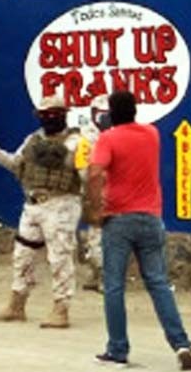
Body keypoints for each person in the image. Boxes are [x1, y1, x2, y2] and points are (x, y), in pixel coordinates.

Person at [88, 91, 191, 369]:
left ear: (110, 113)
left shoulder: (108, 138)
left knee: (114, 286)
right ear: (135, 110)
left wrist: (95, 209)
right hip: (150, 217)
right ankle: (181, 344)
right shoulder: (152, 134)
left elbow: (95, 172)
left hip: (118, 219)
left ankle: (117, 349)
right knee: (158, 283)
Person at [0, 95, 83, 329]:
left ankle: (61, 309)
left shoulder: (78, 143)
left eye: (53, 114)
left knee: (60, 259)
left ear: (63, 115)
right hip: (32, 205)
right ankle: (17, 305)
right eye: (44, 115)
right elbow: (15, 164)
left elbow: (89, 176)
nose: (48, 119)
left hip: (61, 205)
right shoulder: (32, 140)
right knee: (22, 256)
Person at [78, 95, 110, 292]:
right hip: (92, 193)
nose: (104, 118)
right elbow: (82, 168)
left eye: (108, 114)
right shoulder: (86, 137)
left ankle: (106, 278)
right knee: (92, 236)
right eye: (100, 114)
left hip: (114, 194)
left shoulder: (120, 134)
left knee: (106, 238)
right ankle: (95, 273)